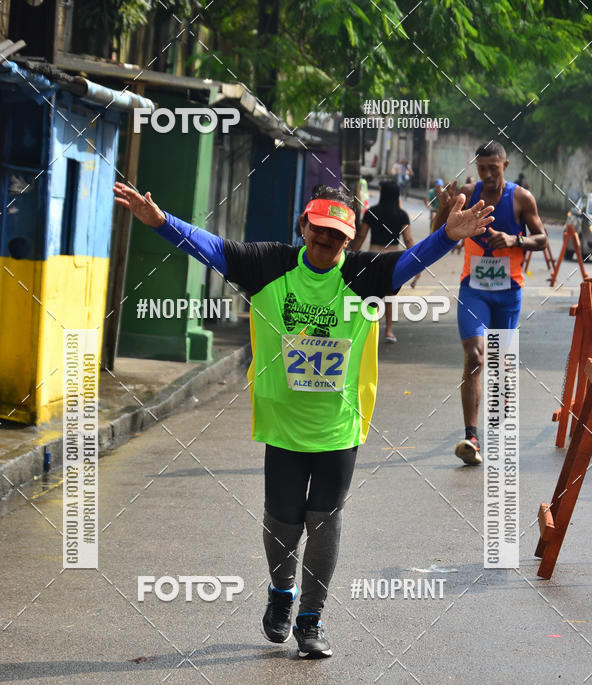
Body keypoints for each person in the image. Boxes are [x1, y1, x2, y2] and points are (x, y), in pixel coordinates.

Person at [113, 180, 493, 658]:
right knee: (283, 520)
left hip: (338, 422)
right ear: (303, 226)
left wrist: (449, 235)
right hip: (283, 421)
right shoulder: (268, 265)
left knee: (325, 520)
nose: (326, 240)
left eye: (337, 234)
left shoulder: (364, 274)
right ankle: (281, 592)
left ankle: (311, 620)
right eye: (319, 229)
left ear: (350, 238)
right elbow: (210, 247)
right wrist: (161, 222)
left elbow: (412, 261)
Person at [433, 141, 546, 465]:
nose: (488, 175)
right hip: (474, 289)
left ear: (505, 166)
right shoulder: (468, 194)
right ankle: (471, 437)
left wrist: (515, 239)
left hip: (508, 292)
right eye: (482, 169)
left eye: (493, 168)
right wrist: (444, 208)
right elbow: (439, 234)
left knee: (498, 361)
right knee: (475, 355)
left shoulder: (521, 198)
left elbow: (541, 239)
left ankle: (500, 420)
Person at [351, 180, 415, 342]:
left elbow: (361, 235)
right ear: (397, 195)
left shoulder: (371, 212)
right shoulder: (402, 214)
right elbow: (408, 240)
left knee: (369, 294)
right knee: (390, 295)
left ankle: (365, 331)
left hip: (373, 255)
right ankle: (389, 331)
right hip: (393, 258)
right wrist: (417, 262)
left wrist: (351, 254)